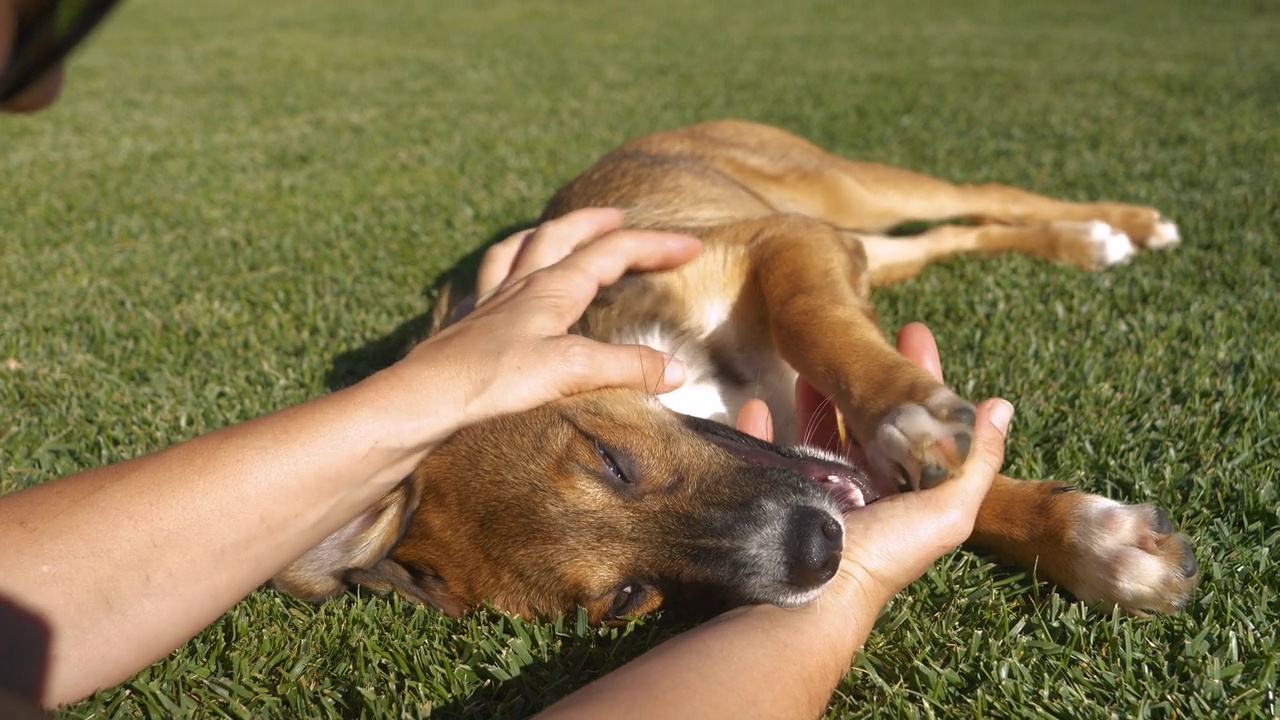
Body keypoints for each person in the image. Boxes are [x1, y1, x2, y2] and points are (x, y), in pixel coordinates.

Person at [0, 8, 1012, 715]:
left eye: (62, 19)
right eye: (620, 599)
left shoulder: (620, 323)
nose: (43, 86)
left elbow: (805, 243)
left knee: (877, 212)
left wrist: (412, 408)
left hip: (708, 183)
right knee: (886, 249)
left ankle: (1028, 215)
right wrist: (842, 591)